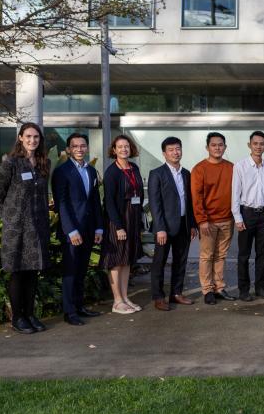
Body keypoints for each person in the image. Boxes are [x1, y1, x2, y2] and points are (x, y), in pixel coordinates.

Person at [0, 122, 51, 334]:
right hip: (16, 228)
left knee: (32, 273)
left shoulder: (44, 162)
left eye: (36, 137)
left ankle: (30, 314)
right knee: (18, 273)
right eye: (28, 136)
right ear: (20, 138)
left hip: (37, 227)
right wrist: (9, 218)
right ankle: (18, 318)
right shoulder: (11, 163)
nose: (32, 140)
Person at [51, 133, 104, 326]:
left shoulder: (90, 171)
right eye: (75, 146)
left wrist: (99, 228)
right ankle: (69, 311)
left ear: (87, 148)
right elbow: (61, 203)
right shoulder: (61, 172)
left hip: (89, 229)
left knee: (82, 270)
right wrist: (70, 231)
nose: (79, 149)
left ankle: (80, 306)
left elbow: (95, 201)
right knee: (71, 271)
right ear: (68, 150)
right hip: (72, 231)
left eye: (82, 146)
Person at [148, 137, 198, 311]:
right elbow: (155, 204)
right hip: (165, 228)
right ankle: (159, 297)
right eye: (171, 149)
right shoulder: (157, 174)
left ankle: (176, 293)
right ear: (164, 153)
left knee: (181, 261)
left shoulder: (186, 174)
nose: (175, 152)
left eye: (178, 148)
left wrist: (192, 224)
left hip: (183, 225)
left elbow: (189, 201)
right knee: (159, 262)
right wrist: (160, 228)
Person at [101, 135, 144, 315]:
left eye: (126, 146)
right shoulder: (112, 172)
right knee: (117, 262)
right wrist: (118, 226)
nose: (124, 149)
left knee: (127, 260)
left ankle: (125, 297)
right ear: (114, 150)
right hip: (118, 221)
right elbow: (109, 201)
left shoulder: (133, 168)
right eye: (120, 147)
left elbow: (138, 193)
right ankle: (117, 301)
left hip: (132, 220)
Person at [191, 132, 236, 305]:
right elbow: (197, 197)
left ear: (225, 147)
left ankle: (219, 287)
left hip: (227, 219)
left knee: (221, 255)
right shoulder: (199, 169)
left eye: (220, 145)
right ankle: (207, 290)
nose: (217, 148)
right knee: (206, 256)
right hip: (208, 221)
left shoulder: (231, 167)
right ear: (207, 147)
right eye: (214, 145)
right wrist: (201, 220)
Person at [232, 131, 264, 301]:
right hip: (246, 213)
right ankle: (243, 289)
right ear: (249, 145)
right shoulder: (240, 166)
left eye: (261, 144)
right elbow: (235, 193)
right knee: (244, 254)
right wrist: (237, 217)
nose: (258, 147)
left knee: (262, 254)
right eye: (255, 143)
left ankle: (260, 287)